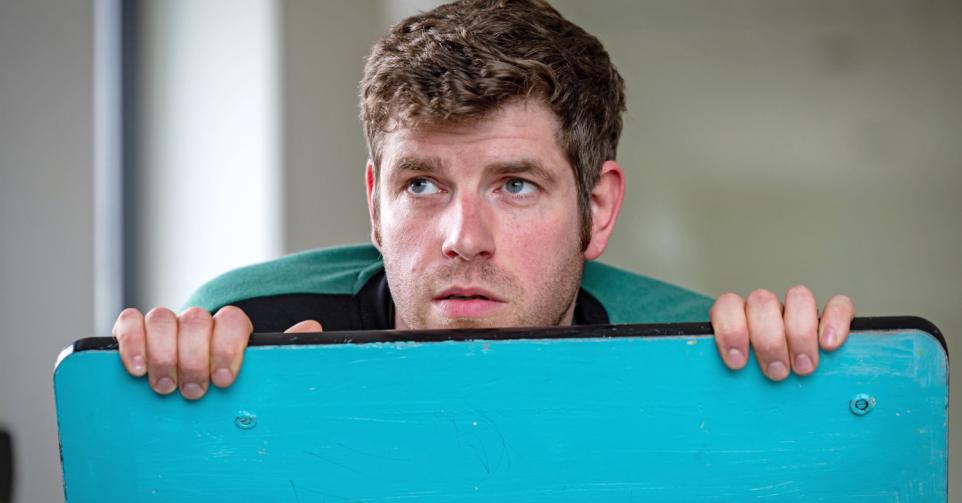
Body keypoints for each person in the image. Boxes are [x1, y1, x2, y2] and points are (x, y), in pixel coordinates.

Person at [112, 0, 854, 401]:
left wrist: (801, 396)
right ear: (375, 205)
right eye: (422, 185)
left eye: (515, 185)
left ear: (598, 209)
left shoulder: (696, 353)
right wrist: (197, 417)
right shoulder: (248, 331)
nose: (463, 237)